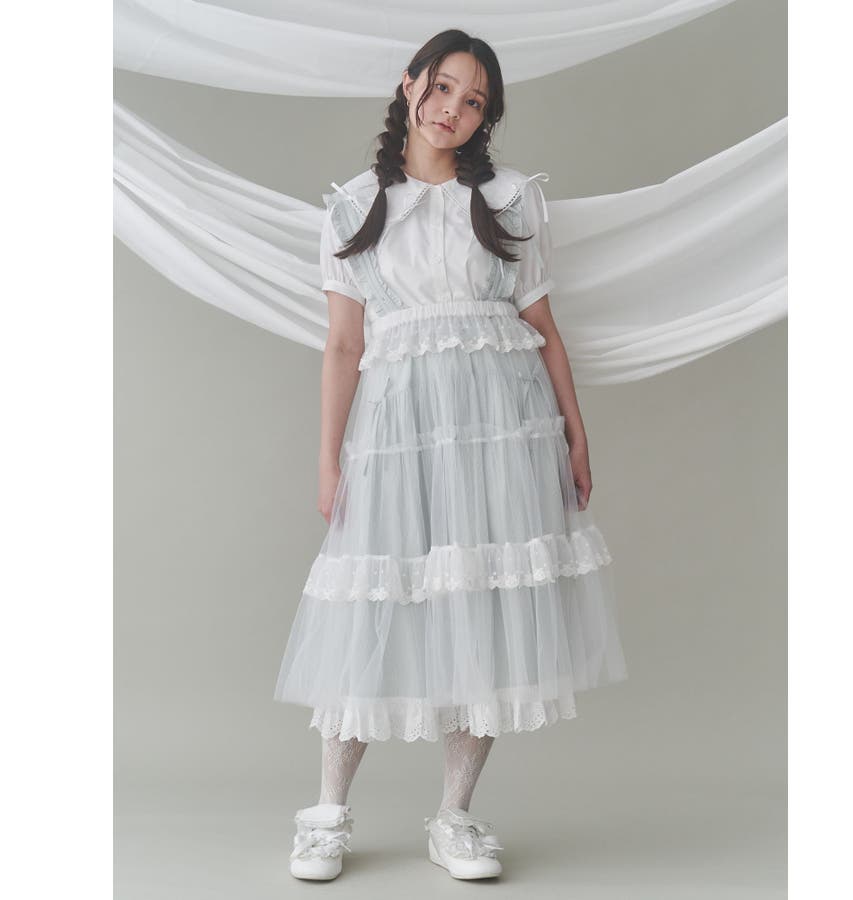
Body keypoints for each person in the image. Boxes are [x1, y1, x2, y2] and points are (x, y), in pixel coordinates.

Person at [273, 28, 628, 881]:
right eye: (442, 89)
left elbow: (543, 327)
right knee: (370, 601)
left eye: (474, 102)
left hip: (504, 427)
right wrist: (328, 460)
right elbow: (342, 346)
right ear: (409, 85)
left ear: (486, 118)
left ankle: (455, 815)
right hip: (397, 431)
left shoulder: (511, 199)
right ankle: (327, 812)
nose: (452, 111)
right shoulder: (354, 206)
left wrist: (576, 431)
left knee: (486, 603)